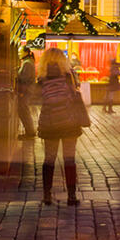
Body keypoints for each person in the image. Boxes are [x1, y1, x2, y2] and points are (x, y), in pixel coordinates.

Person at [37, 48, 84, 206]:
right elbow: (76, 90)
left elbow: (37, 98)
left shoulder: (42, 77)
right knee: (69, 159)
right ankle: (71, 196)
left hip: (49, 123)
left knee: (49, 159)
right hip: (69, 122)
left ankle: (47, 195)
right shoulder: (68, 75)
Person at [16, 49, 37, 140]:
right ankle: (29, 131)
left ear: (26, 52)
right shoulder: (27, 62)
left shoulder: (27, 63)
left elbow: (25, 79)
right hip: (27, 90)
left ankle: (30, 132)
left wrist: (21, 92)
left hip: (25, 91)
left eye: (20, 52)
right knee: (24, 110)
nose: (19, 54)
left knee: (24, 111)